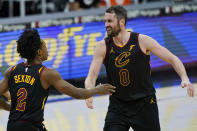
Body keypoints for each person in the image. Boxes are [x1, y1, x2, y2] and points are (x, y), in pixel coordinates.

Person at [85, 5, 195, 131]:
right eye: (105, 21)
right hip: (118, 106)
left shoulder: (141, 41)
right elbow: (91, 76)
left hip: (145, 104)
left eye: (109, 21)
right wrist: (89, 91)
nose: (106, 25)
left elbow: (172, 58)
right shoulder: (102, 46)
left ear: (121, 22)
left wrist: (184, 78)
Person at [0, 29, 116, 131]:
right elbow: (77, 93)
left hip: (12, 126)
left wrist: (9, 107)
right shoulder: (47, 74)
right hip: (31, 126)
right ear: (39, 53)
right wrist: (96, 90)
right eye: (44, 46)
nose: (47, 49)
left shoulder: (11, 71)